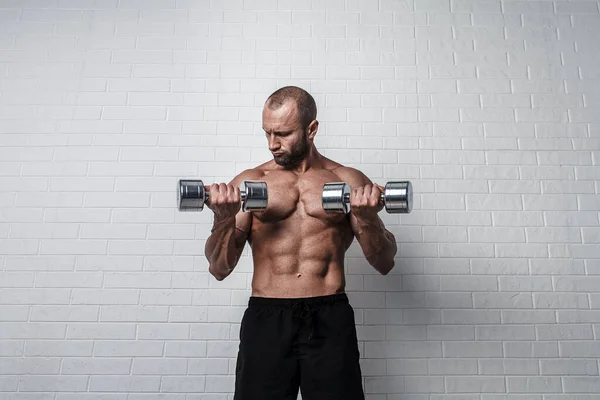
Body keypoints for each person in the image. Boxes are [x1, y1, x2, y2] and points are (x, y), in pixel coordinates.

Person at [204, 86, 398, 400]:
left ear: (312, 129)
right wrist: (224, 218)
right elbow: (218, 268)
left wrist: (367, 217)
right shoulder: (251, 182)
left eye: (283, 133)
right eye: (266, 133)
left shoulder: (347, 180)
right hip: (266, 320)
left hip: (329, 318)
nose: (272, 144)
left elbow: (385, 262)